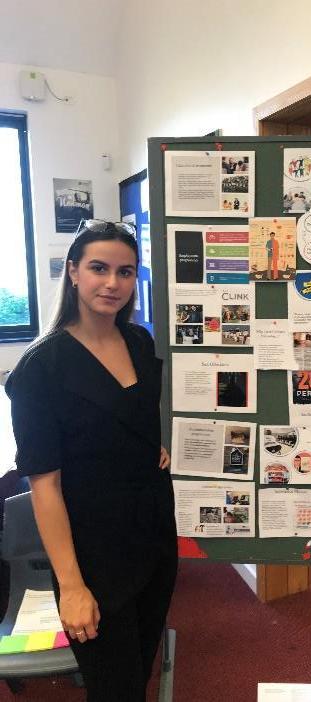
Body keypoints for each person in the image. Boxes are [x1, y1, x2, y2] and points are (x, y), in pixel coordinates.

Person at [5, 220, 177, 702]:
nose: (112, 283)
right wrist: (72, 586)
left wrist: (149, 447)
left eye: (125, 271)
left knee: (139, 669)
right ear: (73, 272)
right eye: (99, 268)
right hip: (93, 553)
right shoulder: (40, 368)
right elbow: (45, 486)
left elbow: (133, 419)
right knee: (114, 689)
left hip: (152, 536)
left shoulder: (138, 342)